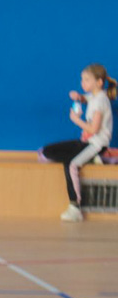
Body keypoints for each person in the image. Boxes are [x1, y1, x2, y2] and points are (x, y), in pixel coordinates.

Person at [41, 63, 116, 222]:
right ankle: (95, 158)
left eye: (87, 80)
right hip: (87, 143)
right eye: (82, 80)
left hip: (96, 144)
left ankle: (75, 207)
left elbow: (94, 129)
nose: (83, 83)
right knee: (47, 152)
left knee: (71, 164)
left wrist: (76, 120)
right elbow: (86, 98)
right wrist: (78, 97)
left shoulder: (101, 101)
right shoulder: (95, 96)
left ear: (99, 82)